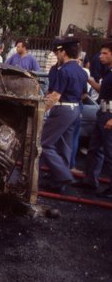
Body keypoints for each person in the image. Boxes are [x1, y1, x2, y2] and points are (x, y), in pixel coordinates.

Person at [40, 37, 88, 194]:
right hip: (75, 110)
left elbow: (55, 96)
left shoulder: (64, 70)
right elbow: (83, 95)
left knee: (44, 143)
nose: (57, 55)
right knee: (65, 146)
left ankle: (63, 174)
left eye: (58, 52)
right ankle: (59, 182)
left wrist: (42, 111)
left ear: (63, 52)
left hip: (62, 109)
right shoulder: (81, 71)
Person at [80, 43, 112, 198]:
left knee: (110, 153)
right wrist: (89, 80)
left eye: (105, 53)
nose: (100, 56)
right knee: (94, 148)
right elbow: (102, 90)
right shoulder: (108, 73)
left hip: (110, 116)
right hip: (102, 113)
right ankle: (90, 180)